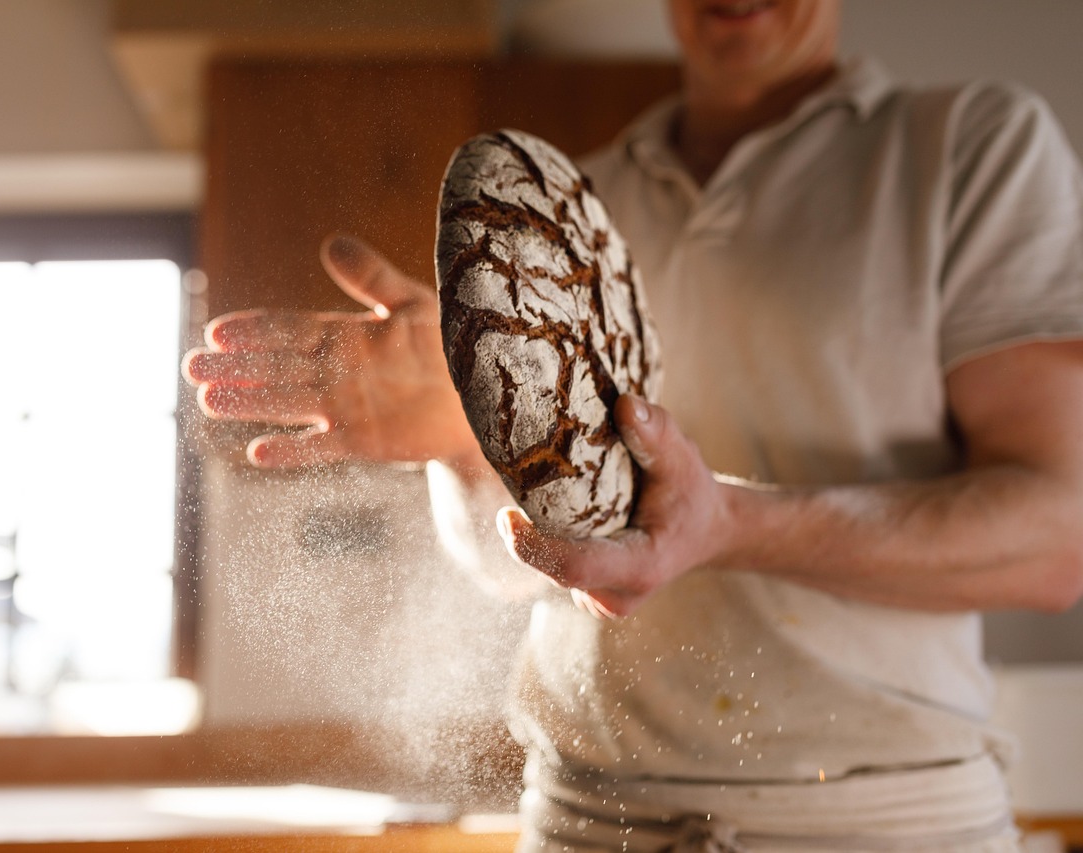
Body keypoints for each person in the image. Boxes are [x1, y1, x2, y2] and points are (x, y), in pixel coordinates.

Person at [183, 0, 1083, 849]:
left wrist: (728, 526)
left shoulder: (969, 148)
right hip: (584, 818)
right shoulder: (573, 205)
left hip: (878, 822)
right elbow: (526, 569)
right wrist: (467, 439)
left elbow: (1057, 539)